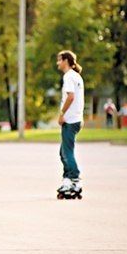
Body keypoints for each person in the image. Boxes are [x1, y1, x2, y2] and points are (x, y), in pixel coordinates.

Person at [56, 50, 84, 200]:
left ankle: (74, 180)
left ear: (66, 61)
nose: (58, 63)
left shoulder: (68, 76)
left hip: (70, 120)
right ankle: (67, 179)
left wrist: (62, 114)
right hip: (76, 119)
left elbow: (71, 97)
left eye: (59, 60)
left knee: (67, 152)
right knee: (63, 152)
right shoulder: (77, 76)